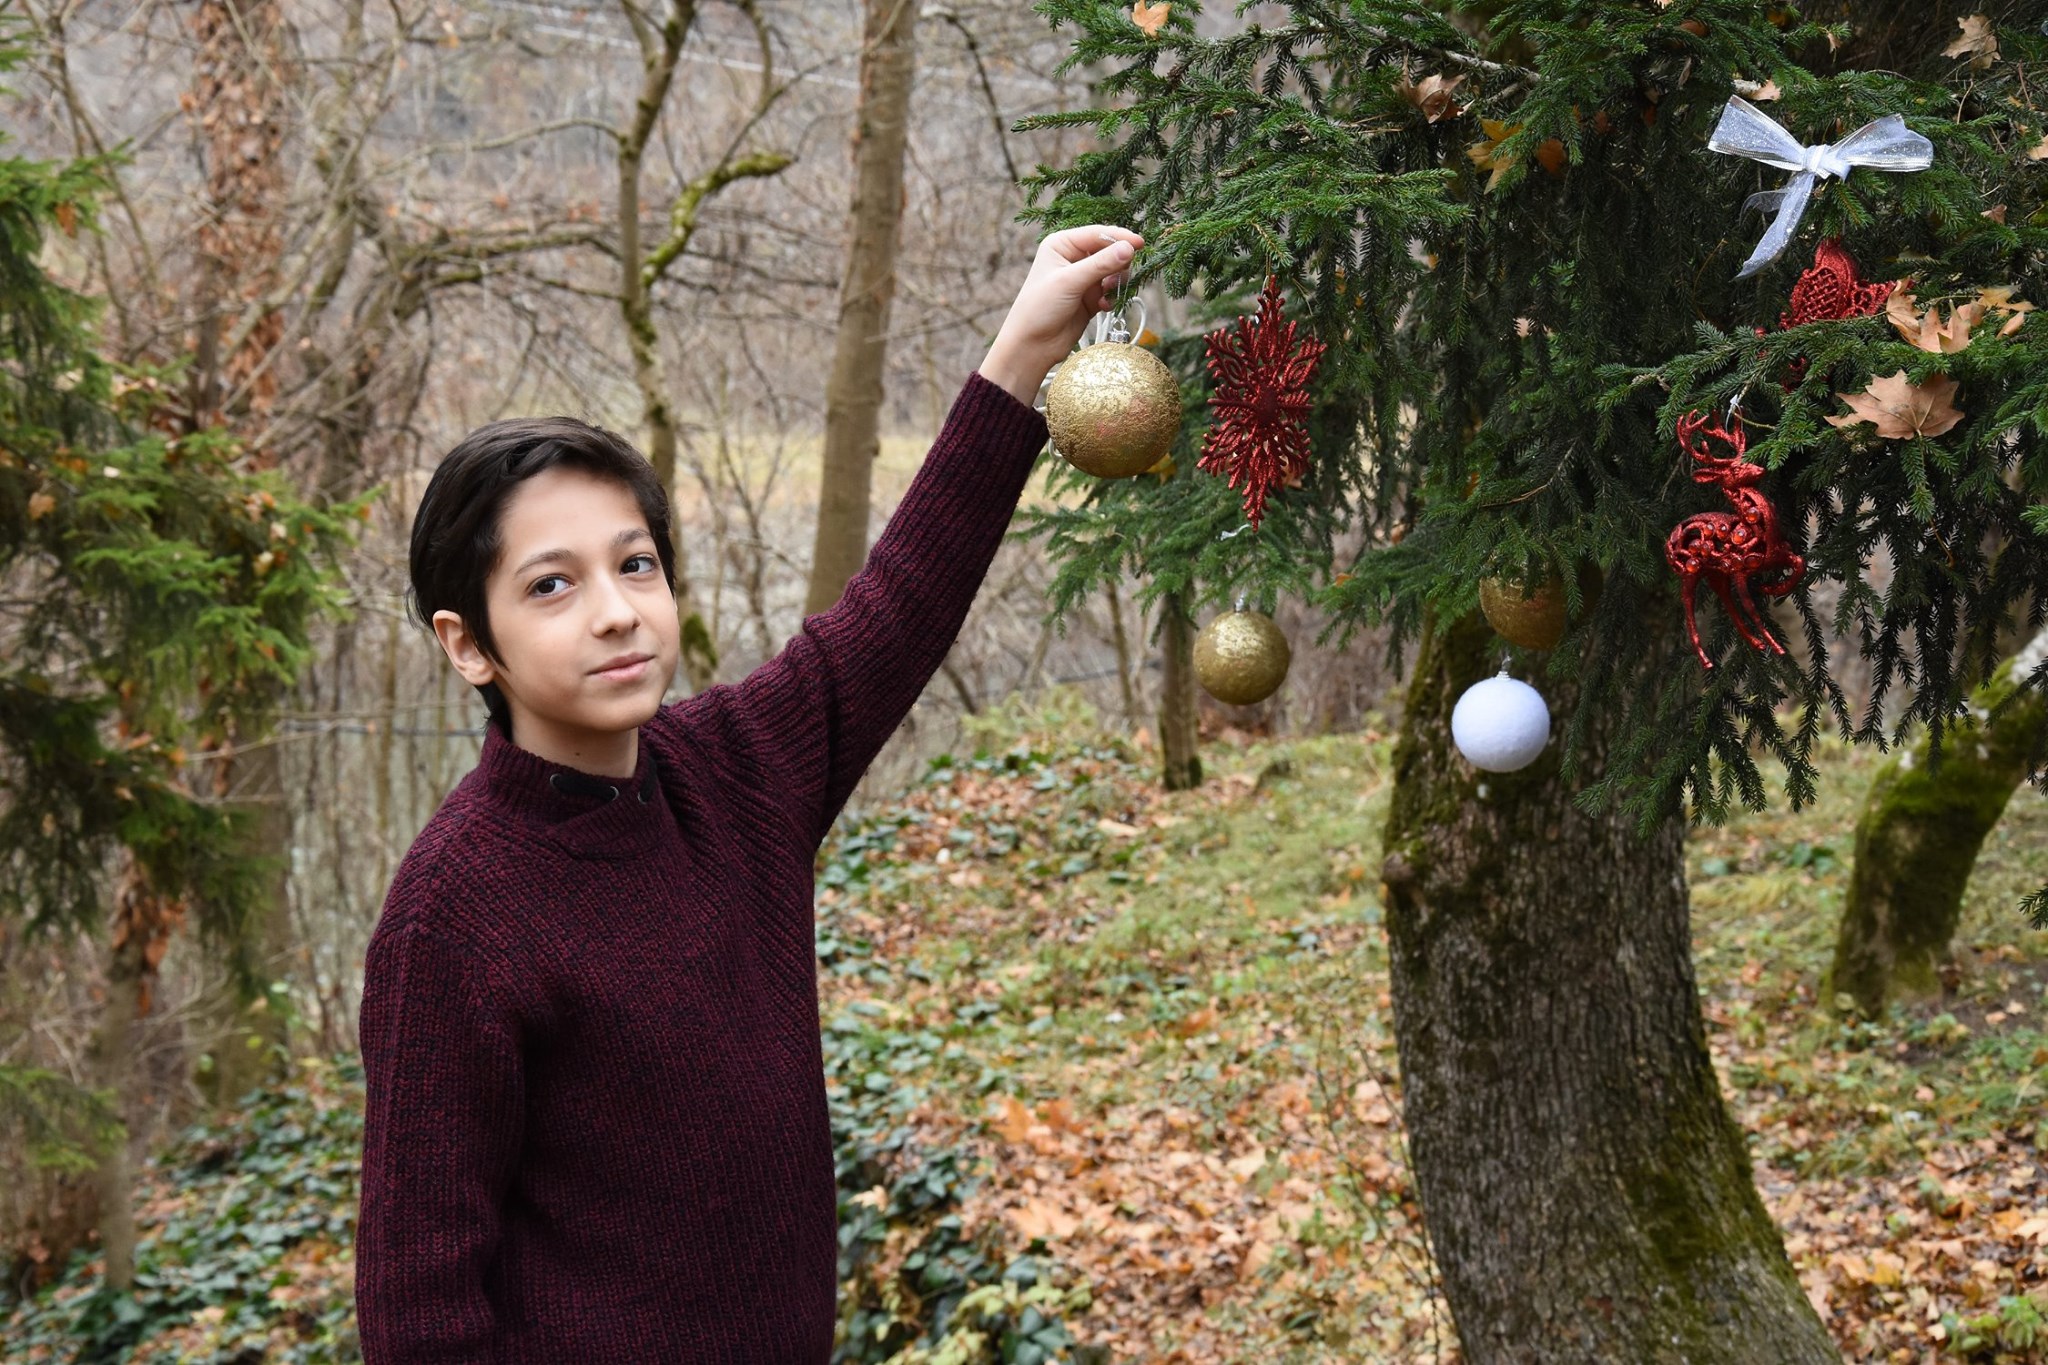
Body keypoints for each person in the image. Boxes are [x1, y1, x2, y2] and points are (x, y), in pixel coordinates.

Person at [354, 225, 1143, 1363]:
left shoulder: (733, 771)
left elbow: (898, 605)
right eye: (551, 586)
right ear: (467, 642)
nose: (617, 611)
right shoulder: (454, 913)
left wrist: (1023, 350)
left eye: (635, 564)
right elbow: (418, 1312)